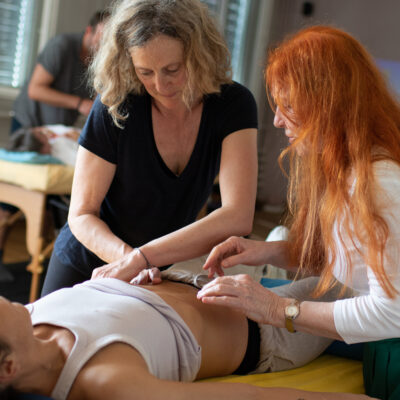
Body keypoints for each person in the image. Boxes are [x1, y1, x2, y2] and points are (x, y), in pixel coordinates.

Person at [197, 26, 400, 345]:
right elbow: (351, 259)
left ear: (329, 107)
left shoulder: (379, 184)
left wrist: (277, 309)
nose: (277, 120)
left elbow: (392, 314)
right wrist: (265, 251)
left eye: (289, 107)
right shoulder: (347, 168)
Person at [41, 0, 258, 296]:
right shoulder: (116, 103)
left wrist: (142, 260)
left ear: (199, 54)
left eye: (172, 69)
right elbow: (81, 214)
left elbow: (238, 215)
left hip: (155, 271)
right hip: (87, 262)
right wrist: (131, 260)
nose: (160, 84)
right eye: (145, 72)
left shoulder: (233, 105)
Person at [0, 276, 375, 400]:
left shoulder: (30, 317)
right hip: (270, 328)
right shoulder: (105, 379)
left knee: (347, 255)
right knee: (368, 279)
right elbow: (247, 398)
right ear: (8, 367)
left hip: (214, 281)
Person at [0, 10, 110, 270]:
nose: (106, 44)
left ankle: (43, 263)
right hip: (30, 125)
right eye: (102, 36)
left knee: (49, 208)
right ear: (89, 32)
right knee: (6, 207)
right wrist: (79, 104)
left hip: (58, 134)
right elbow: (35, 89)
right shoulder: (62, 47)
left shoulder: (100, 63)